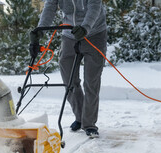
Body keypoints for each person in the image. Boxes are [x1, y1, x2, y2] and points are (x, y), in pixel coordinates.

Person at [30, 0, 107, 138]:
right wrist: (41, 29)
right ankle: (80, 117)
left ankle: (89, 124)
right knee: (69, 78)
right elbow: (50, 6)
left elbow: (95, 7)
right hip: (70, 35)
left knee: (91, 82)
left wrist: (85, 27)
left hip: (94, 34)